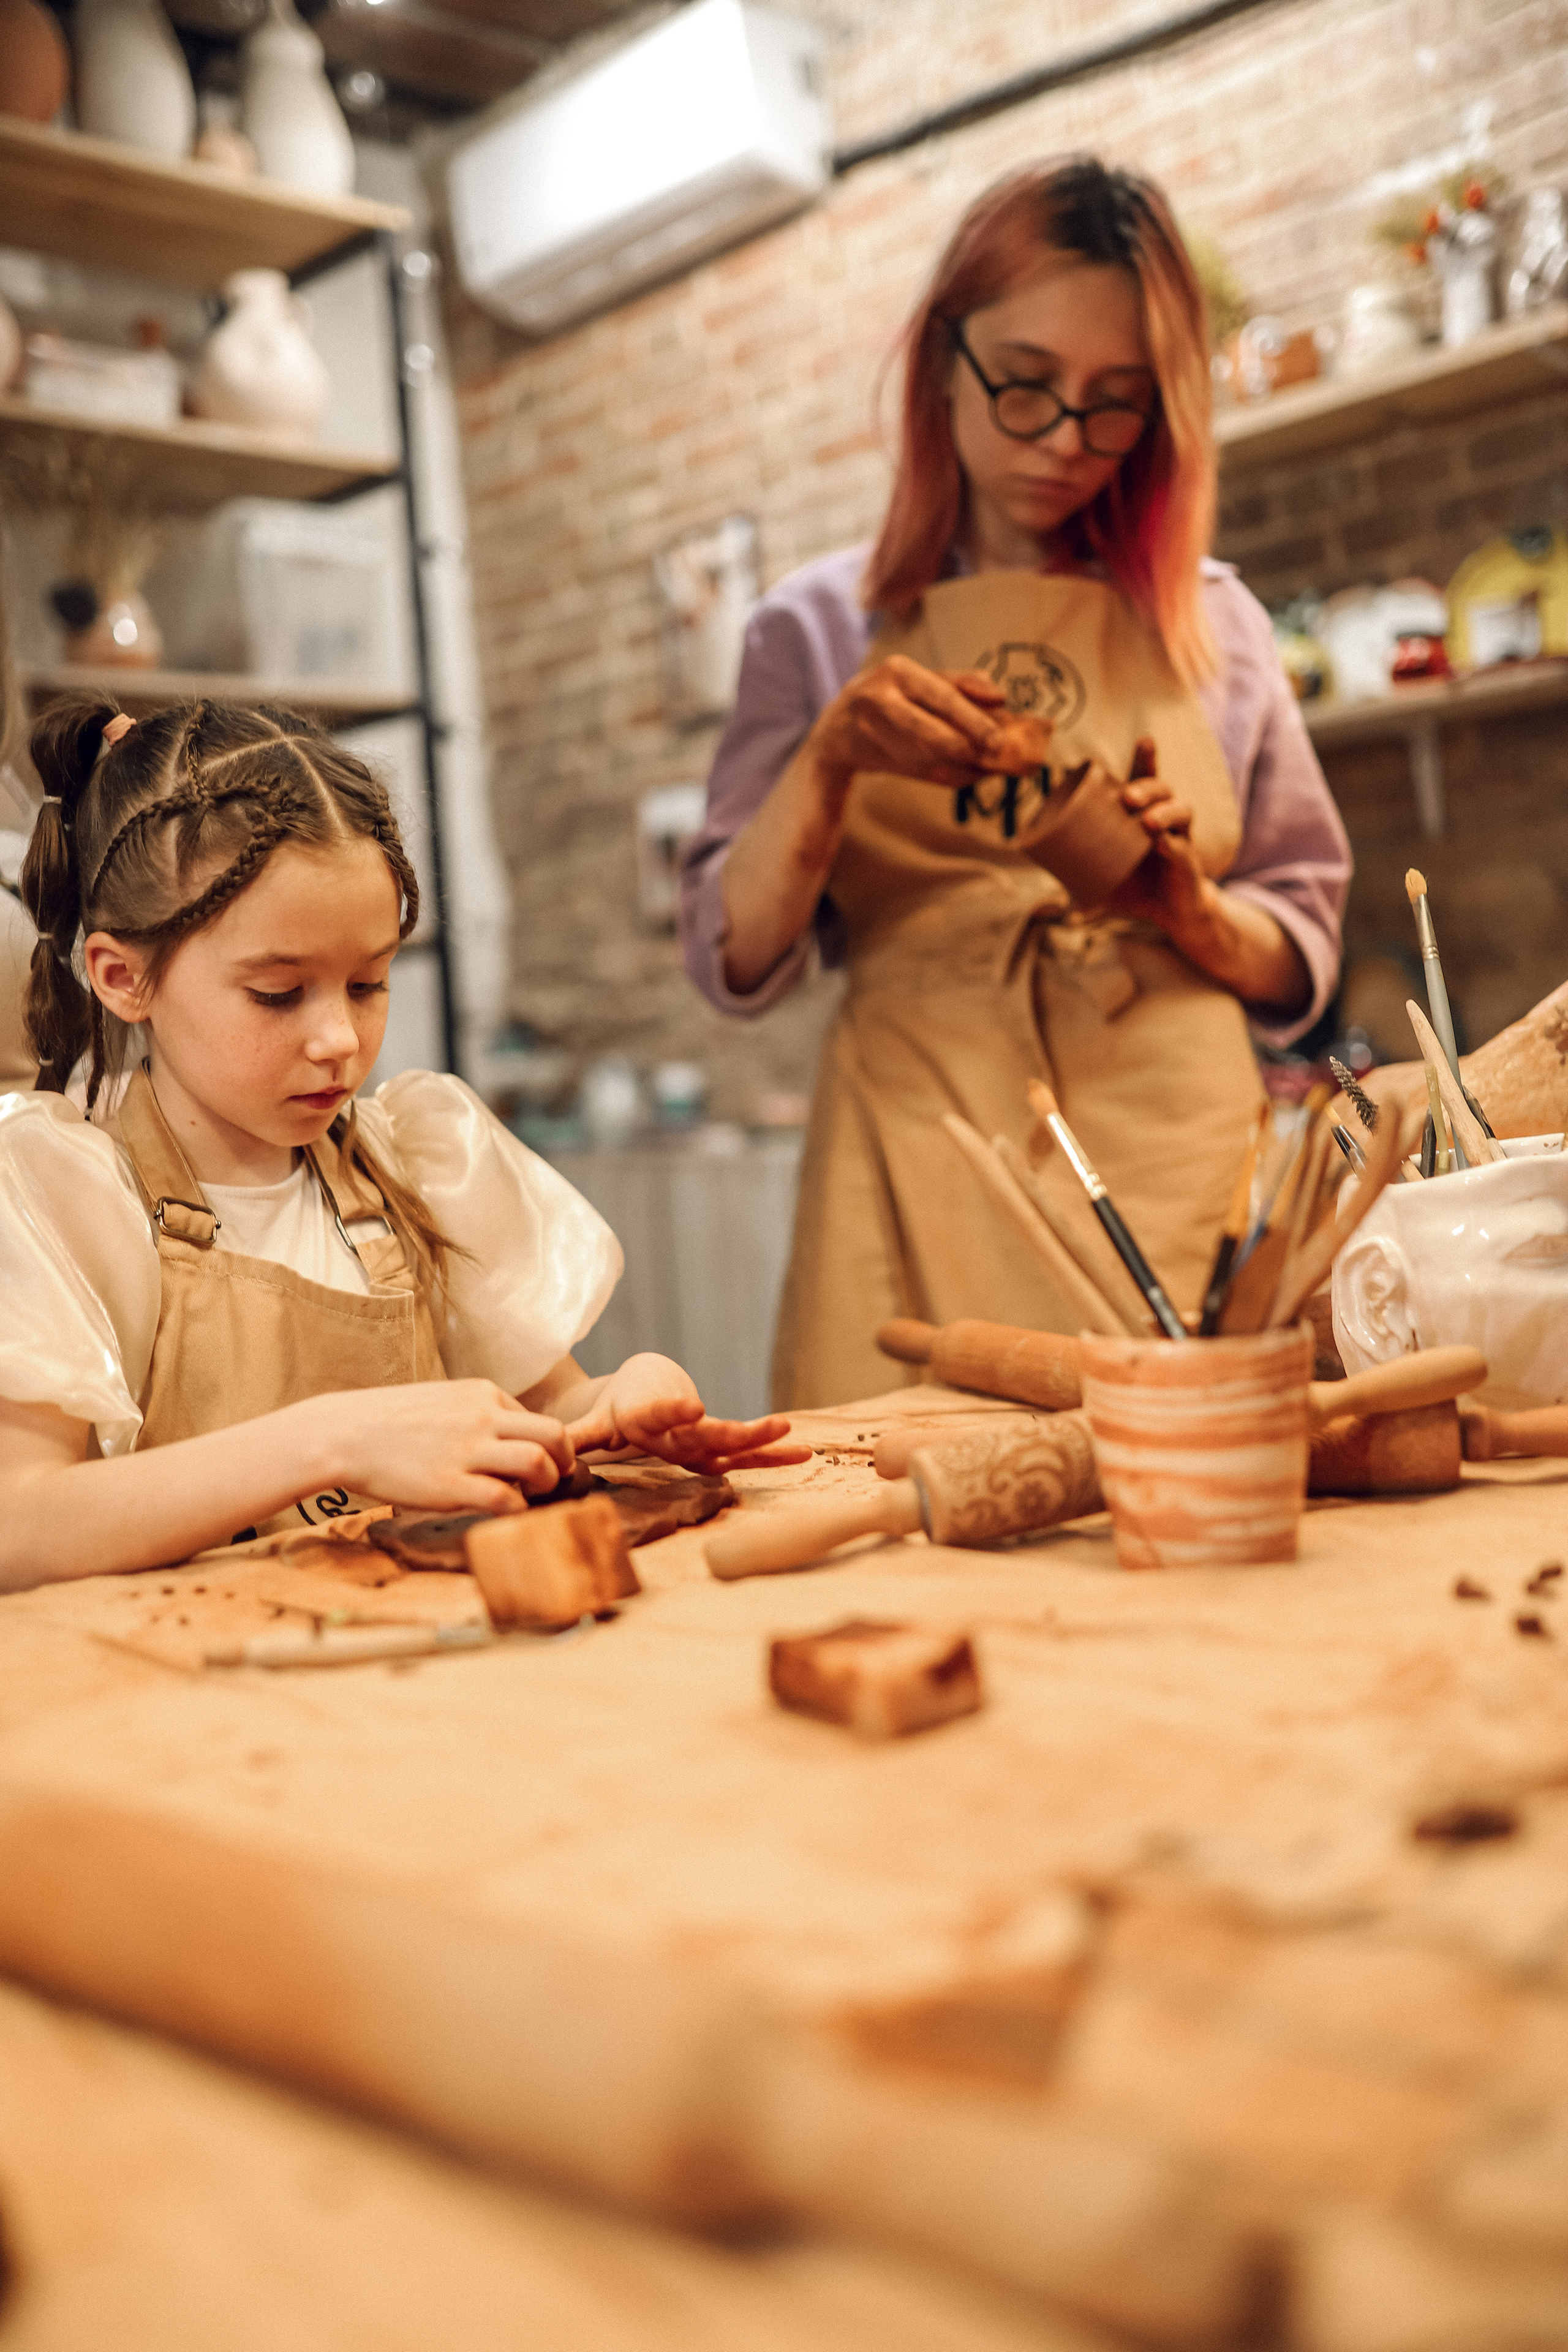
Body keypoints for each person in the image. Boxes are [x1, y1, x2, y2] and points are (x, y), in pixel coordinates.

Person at [681, 157, 1352, 1408]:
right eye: (1026, 387)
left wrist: (1187, 910)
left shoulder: (1214, 625)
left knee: (1196, 1496)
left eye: (1114, 406)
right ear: (942, 359)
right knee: (912, 1522)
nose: (1062, 443)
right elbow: (735, 953)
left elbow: (1298, 937)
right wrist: (830, 757)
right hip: (921, 1133)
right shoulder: (816, 627)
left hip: (1172, 1138)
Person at [0, 698, 802, 1593]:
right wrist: (329, 1441)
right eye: (278, 992)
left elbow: (551, 1405)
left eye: (370, 982)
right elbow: (21, 1526)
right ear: (123, 977)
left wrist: (612, 1405)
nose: (339, 1038)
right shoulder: (64, 1197)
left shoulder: (417, 1165)